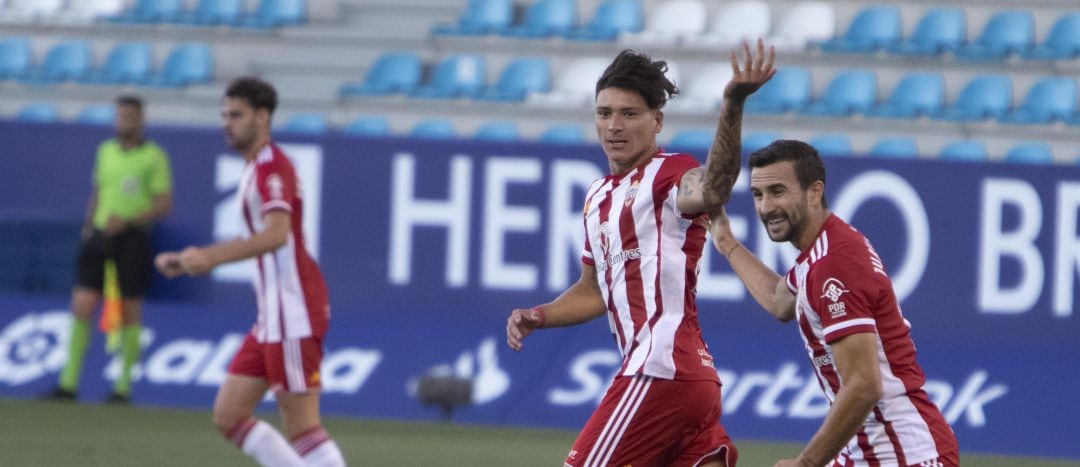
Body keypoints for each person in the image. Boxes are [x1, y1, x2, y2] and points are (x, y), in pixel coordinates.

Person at [506, 40, 776, 467]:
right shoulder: (597, 197)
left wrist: (732, 105)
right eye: (604, 113)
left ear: (657, 121)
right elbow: (593, 289)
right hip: (690, 379)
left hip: (659, 368)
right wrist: (540, 314)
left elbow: (715, 186)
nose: (614, 125)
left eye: (629, 114)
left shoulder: (668, 174)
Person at [706, 140, 959, 466]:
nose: (766, 207)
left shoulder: (833, 264)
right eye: (758, 194)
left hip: (903, 455)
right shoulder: (821, 250)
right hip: (867, 451)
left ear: (814, 192)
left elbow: (864, 385)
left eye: (778, 191)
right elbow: (779, 300)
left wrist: (807, 463)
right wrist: (725, 239)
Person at [155, 77, 345, 467]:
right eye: (224, 114)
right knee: (229, 415)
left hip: (293, 310)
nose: (227, 122)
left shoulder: (272, 166)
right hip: (272, 316)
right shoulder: (255, 167)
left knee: (303, 427)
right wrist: (190, 260)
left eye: (236, 115)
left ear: (262, 117)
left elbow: (275, 235)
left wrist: (209, 258)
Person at [48, 95, 173, 404]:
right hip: (100, 234)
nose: (124, 122)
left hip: (132, 237)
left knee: (130, 308)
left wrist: (128, 220)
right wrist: (89, 224)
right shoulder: (105, 151)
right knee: (82, 303)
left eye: (130, 116)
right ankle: (68, 382)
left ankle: (122, 387)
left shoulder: (154, 157)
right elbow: (99, 190)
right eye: (120, 116)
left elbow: (162, 205)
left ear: (141, 120)